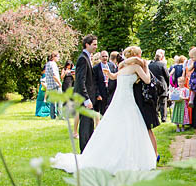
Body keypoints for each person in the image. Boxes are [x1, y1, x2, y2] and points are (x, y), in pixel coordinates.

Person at [50, 47, 156, 175]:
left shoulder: (122, 67)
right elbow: (148, 80)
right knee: (131, 126)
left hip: (119, 100)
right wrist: (146, 68)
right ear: (135, 55)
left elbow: (112, 76)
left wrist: (111, 72)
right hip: (128, 100)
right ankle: (130, 158)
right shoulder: (135, 68)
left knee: (115, 126)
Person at [73, 34, 99, 153]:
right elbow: (80, 81)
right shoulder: (82, 59)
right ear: (87, 44)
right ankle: (84, 152)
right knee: (85, 126)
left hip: (90, 97)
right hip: (85, 99)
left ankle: (88, 151)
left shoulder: (87, 57)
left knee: (89, 125)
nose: (96, 47)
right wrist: (86, 99)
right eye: (94, 44)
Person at [148, 49, 171, 123]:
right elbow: (167, 76)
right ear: (161, 58)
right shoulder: (163, 65)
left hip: (154, 84)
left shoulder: (150, 65)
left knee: (155, 101)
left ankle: (156, 116)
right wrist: (167, 85)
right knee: (163, 101)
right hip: (162, 84)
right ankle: (163, 117)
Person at [93, 51, 112, 115]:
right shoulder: (96, 68)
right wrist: (97, 94)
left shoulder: (111, 66)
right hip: (102, 92)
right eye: (103, 56)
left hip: (110, 91)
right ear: (100, 58)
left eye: (106, 56)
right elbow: (94, 82)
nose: (105, 58)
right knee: (103, 112)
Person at [44, 51, 62, 119]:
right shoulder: (53, 64)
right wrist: (59, 83)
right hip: (55, 85)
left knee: (52, 102)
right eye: (58, 57)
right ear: (54, 57)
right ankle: (60, 115)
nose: (59, 58)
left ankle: (52, 116)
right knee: (59, 101)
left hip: (50, 85)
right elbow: (54, 75)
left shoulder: (47, 64)